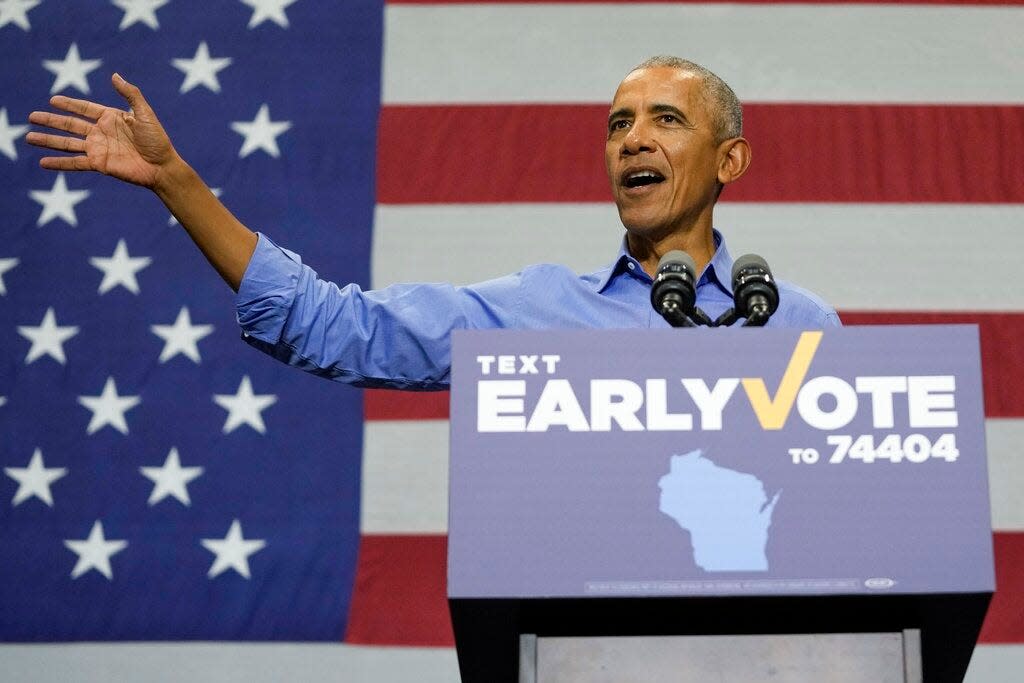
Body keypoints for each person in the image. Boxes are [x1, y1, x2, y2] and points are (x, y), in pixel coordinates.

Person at [26, 56, 839, 390]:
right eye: (618, 123)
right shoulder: (537, 312)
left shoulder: (801, 326)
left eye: (666, 119)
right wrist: (175, 180)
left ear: (729, 161)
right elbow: (331, 326)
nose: (633, 138)